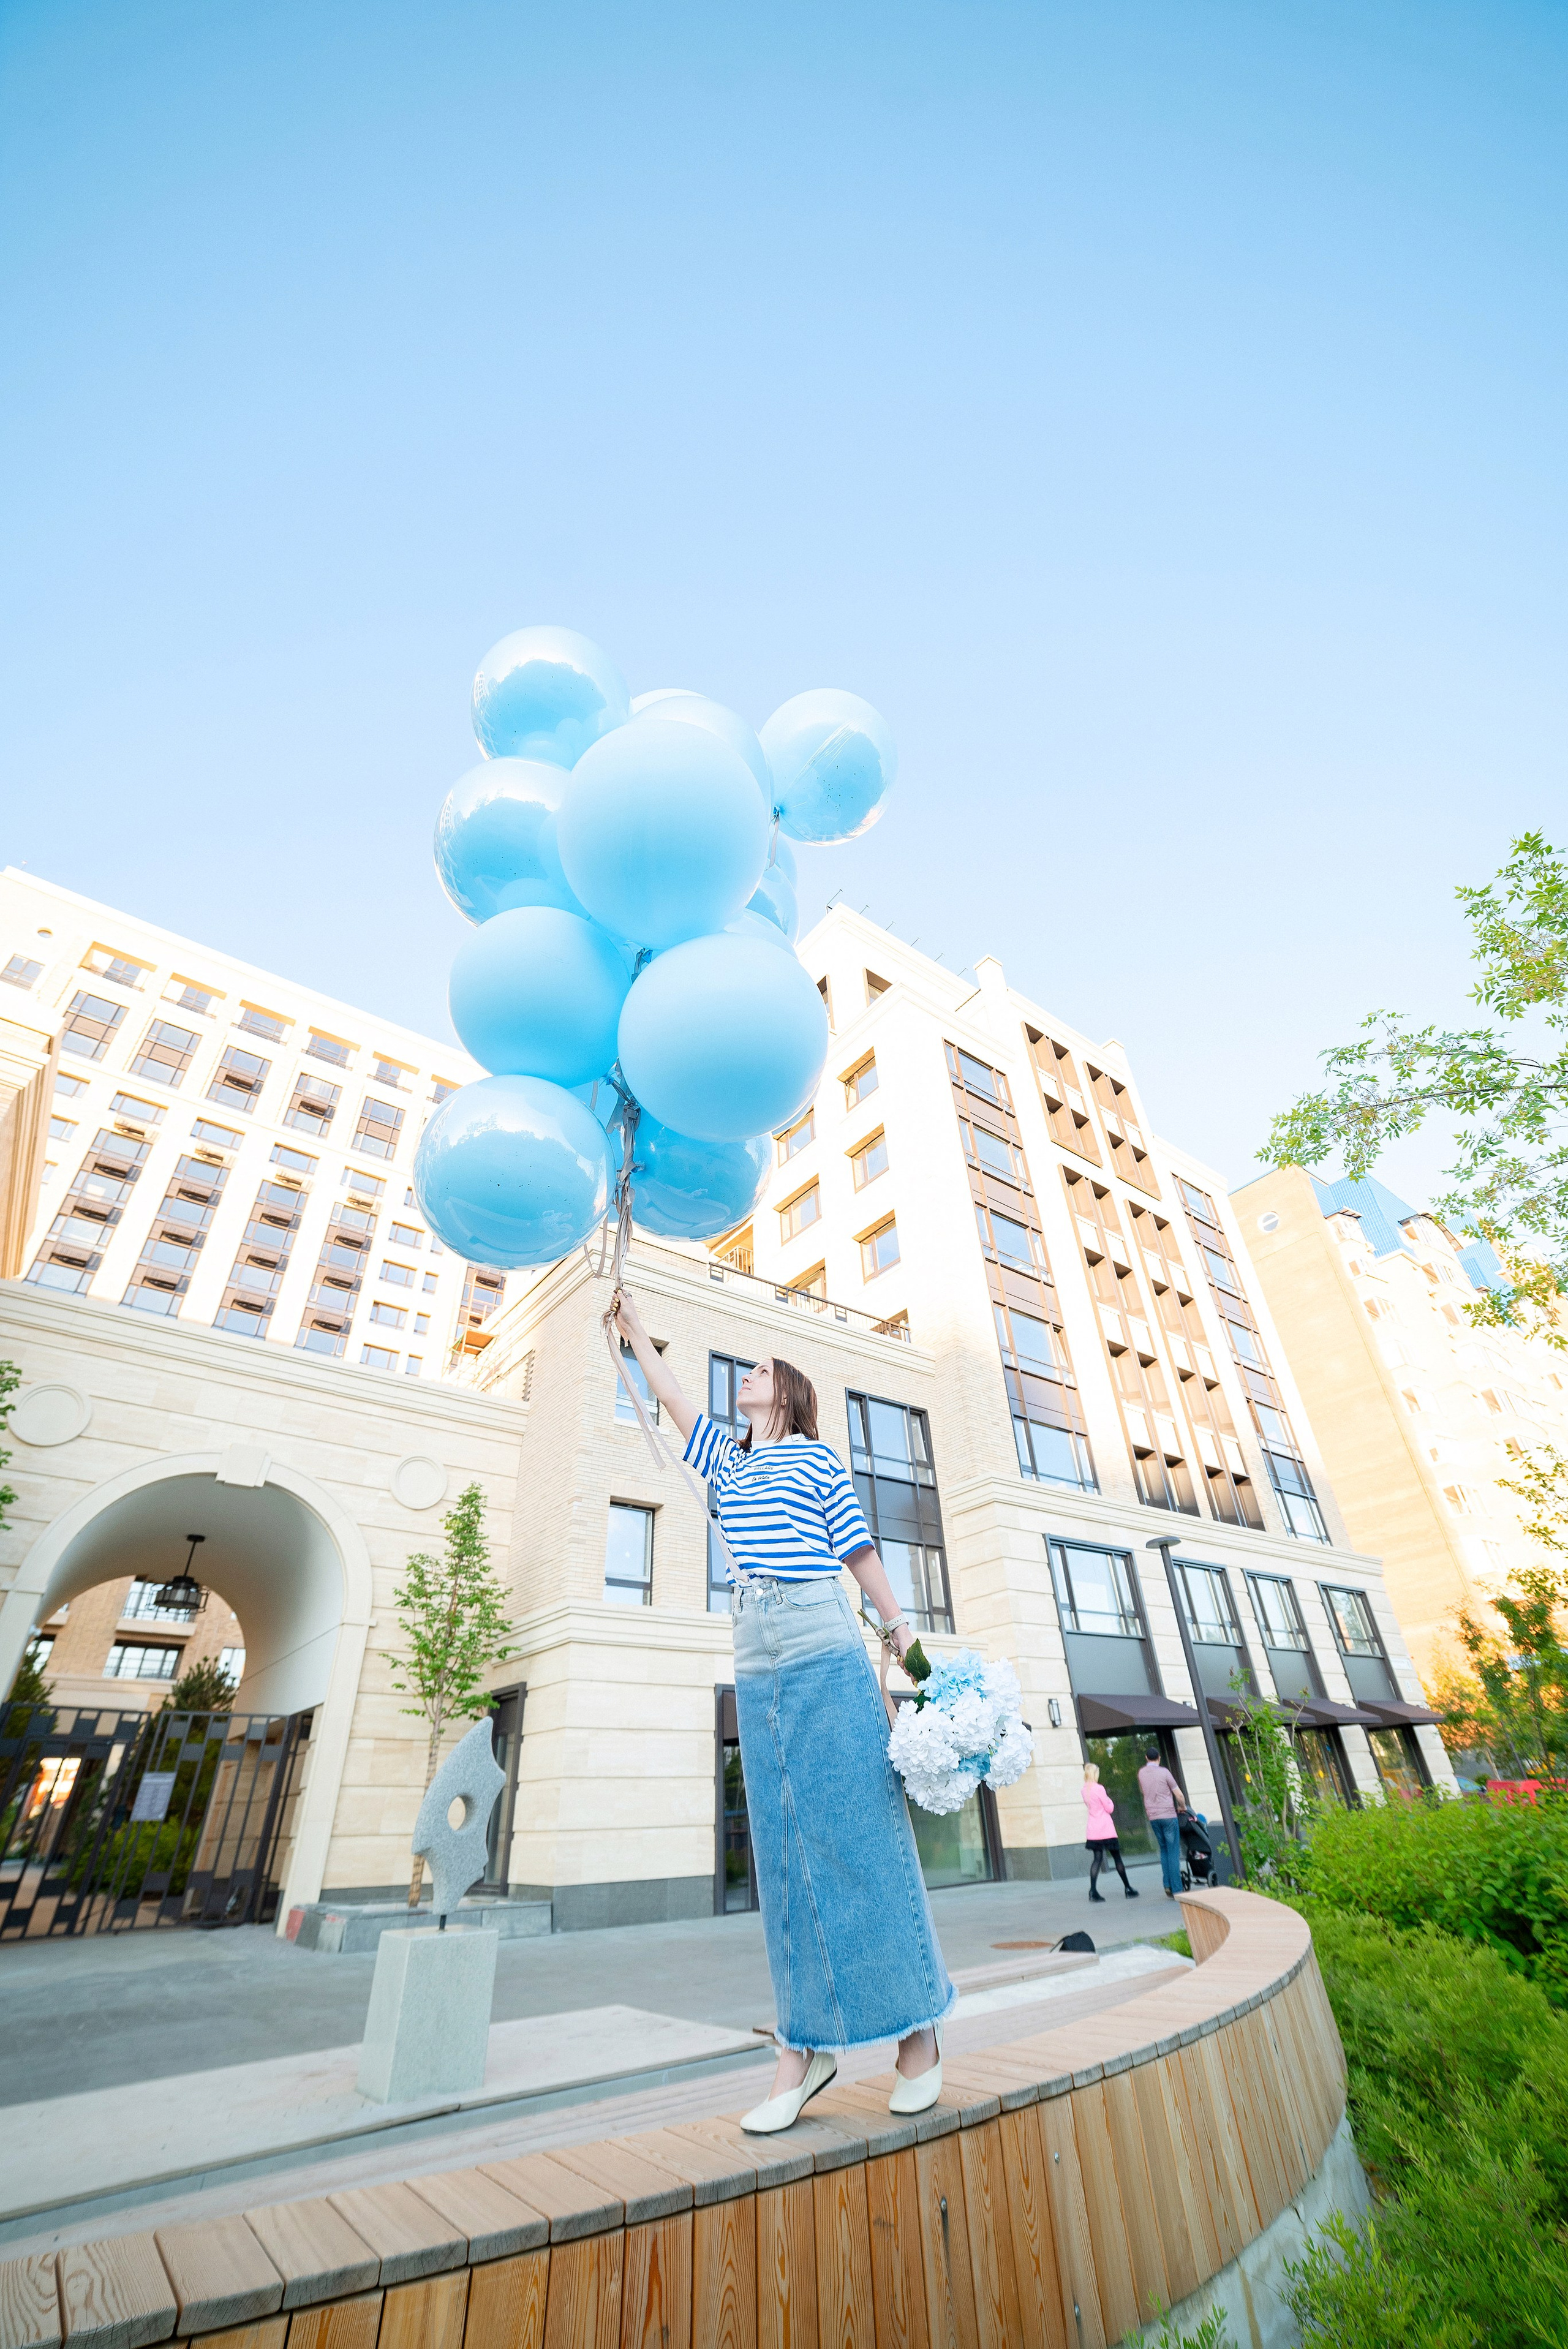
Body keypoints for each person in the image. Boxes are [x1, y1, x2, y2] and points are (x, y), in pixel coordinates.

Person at [614, 1291, 956, 2133]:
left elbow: (858, 1549)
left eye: (762, 1369)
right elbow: (672, 1394)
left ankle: (918, 2036)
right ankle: (803, 2047)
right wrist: (632, 1329)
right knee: (784, 1848)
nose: (749, 1376)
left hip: (820, 1636)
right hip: (754, 1649)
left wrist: (906, 1634)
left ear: (791, 1392)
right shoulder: (727, 1461)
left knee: (859, 1833)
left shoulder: (816, 1458)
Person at [1081, 1762, 1139, 1902]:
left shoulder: (1084, 1790)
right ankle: (1128, 1888)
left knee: (1097, 1859)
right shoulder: (1099, 1788)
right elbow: (1109, 1808)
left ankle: (1093, 1891)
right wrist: (1110, 1801)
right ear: (1095, 1774)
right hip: (1106, 1829)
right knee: (1117, 1858)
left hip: (1094, 1830)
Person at [1137, 1743, 1188, 1899]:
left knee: (1164, 1850)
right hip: (1168, 1816)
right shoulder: (1164, 1772)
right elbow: (1179, 1795)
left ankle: (1167, 1885)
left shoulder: (1141, 1773)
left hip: (1154, 1818)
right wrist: (1182, 1807)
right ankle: (1177, 1889)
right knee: (1173, 1852)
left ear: (1146, 1758)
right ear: (1159, 1758)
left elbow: (1143, 1791)